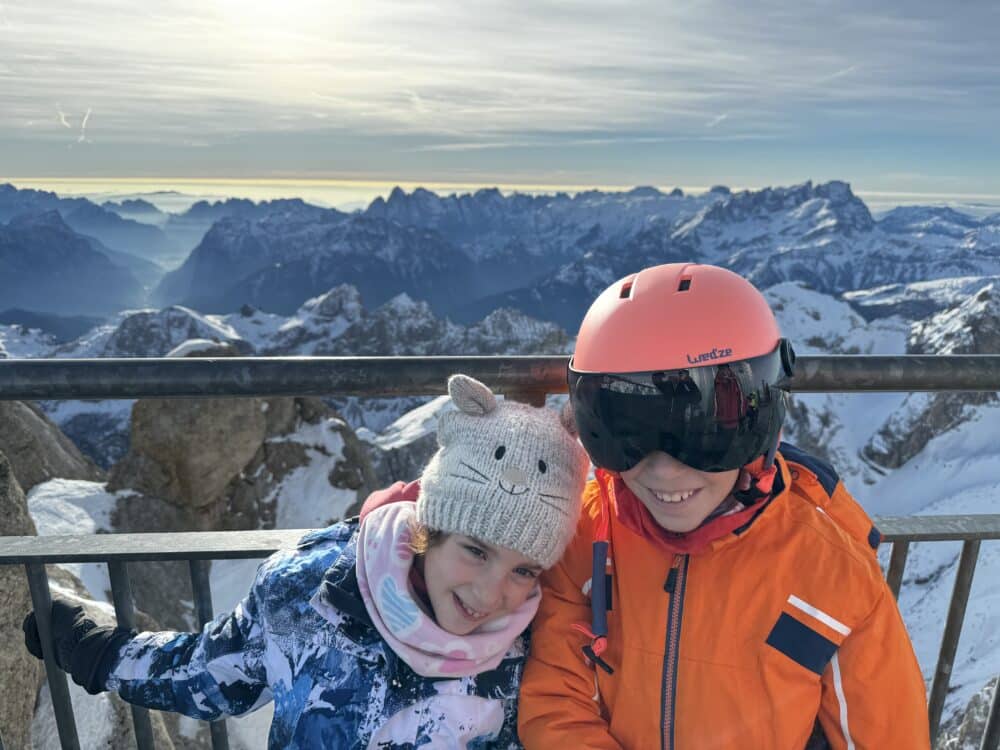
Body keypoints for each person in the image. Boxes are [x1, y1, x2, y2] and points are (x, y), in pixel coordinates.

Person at [24, 374, 588, 749]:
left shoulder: (540, 645)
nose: (492, 597)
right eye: (476, 550)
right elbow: (215, 673)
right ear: (428, 528)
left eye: (524, 570)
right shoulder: (310, 591)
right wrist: (102, 655)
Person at [518, 263, 931, 749]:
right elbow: (555, 700)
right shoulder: (586, 535)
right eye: (625, 435)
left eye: (706, 436)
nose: (664, 471)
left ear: (759, 429)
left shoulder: (832, 576)